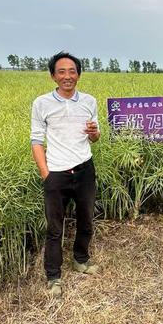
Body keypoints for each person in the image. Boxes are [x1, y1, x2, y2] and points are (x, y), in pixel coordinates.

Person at [31, 52, 100, 297]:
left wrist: (93, 133)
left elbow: (95, 136)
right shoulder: (41, 103)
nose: (67, 76)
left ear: (78, 74)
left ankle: (80, 259)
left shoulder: (89, 101)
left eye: (72, 71)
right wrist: (46, 174)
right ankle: (53, 276)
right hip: (56, 173)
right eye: (62, 71)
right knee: (54, 228)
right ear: (53, 76)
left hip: (84, 169)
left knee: (86, 219)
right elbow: (36, 140)